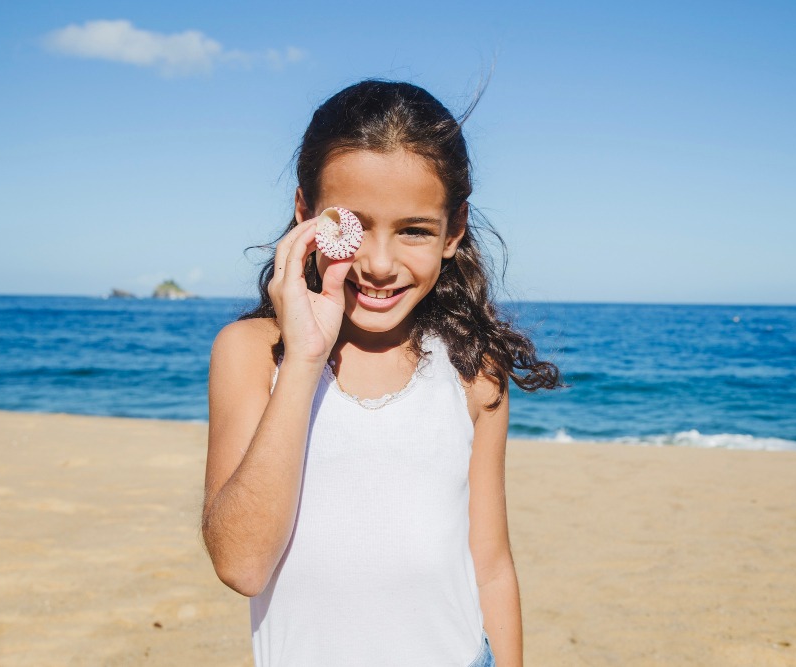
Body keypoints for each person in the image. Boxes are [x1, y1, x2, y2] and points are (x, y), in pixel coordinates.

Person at [202, 80, 560, 667]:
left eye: (414, 229)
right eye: (350, 227)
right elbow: (241, 564)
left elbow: (490, 564)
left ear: (454, 231)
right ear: (304, 215)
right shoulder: (252, 354)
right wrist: (305, 359)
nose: (379, 264)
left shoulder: (473, 370)